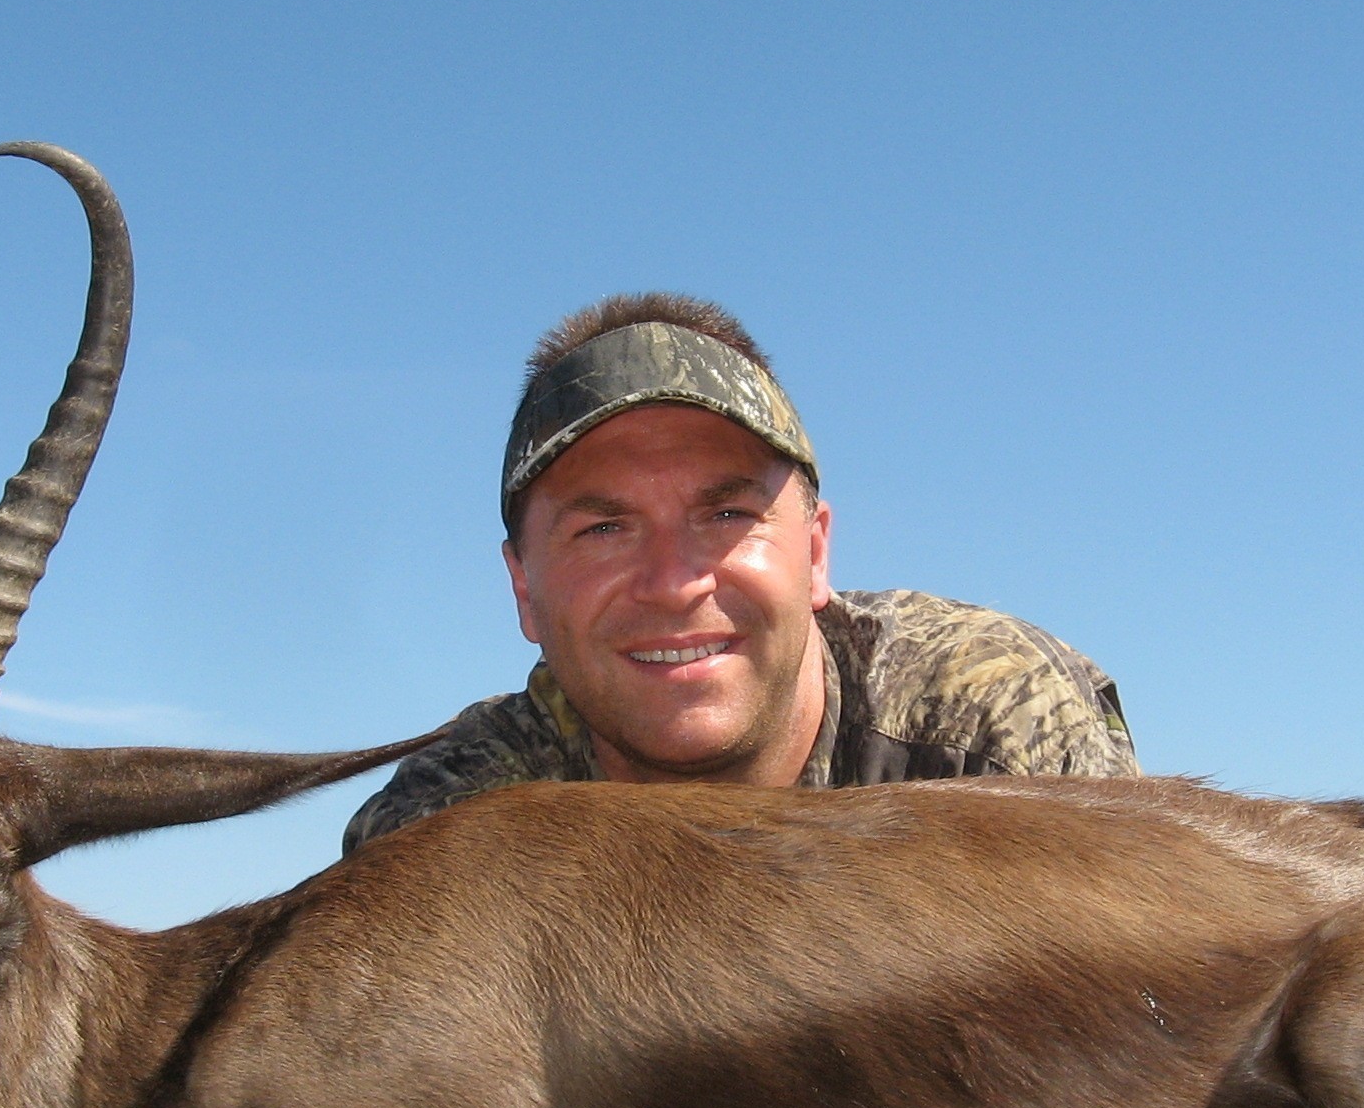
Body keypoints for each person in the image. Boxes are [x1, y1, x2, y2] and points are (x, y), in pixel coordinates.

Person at [342, 293, 1136, 852]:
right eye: (605, 528)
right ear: (525, 590)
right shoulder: (454, 829)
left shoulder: (995, 738)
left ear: (815, 552)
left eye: (726, 516)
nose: (673, 582)